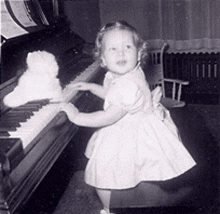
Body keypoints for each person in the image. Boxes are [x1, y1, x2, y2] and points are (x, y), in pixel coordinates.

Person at [60, 21, 196, 214]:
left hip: (128, 131)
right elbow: (112, 95)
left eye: (127, 47)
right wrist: (92, 87)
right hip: (138, 124)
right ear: (103, 60)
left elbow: (108, 116)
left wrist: (77, 116)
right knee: (130, 170)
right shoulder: (129, 74)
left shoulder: (127, 85)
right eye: (113, 48)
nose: (121, 53)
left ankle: (108, 208)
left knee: (105, 171)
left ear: (139, 54)